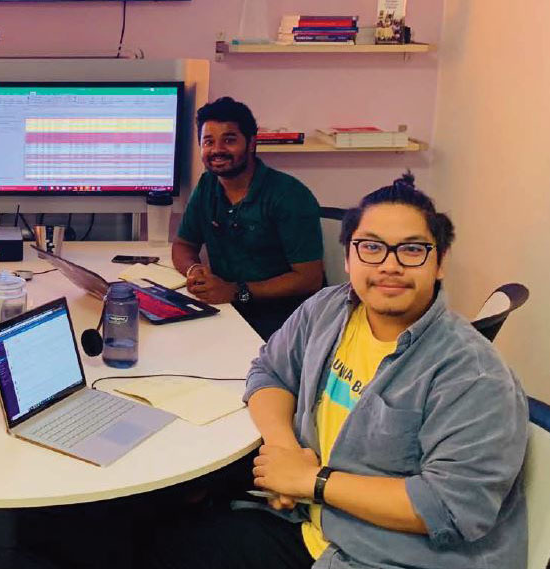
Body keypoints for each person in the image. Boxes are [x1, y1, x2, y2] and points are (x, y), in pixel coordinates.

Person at [142, 174, 528, 569]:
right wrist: (284, 451)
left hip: (389, 556)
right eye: (371, 248)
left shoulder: (475, 375)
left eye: (412, 250)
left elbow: (451, 506)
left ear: (440, 262)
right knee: (149, 536)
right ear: (347, 258)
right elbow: (269, 373)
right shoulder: (328, 309)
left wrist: (313, 481)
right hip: (306, 523)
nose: (390, 265)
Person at [172, 97, 324, 340]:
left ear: (251, 143)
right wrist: (195, 271)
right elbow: (183, 245)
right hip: (226, 307)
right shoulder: (207, 185)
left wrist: (236, 292)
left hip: (282, 321)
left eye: (229, 140)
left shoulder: (289, 195)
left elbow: (309, 280)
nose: (217, 150)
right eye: (208, 141)